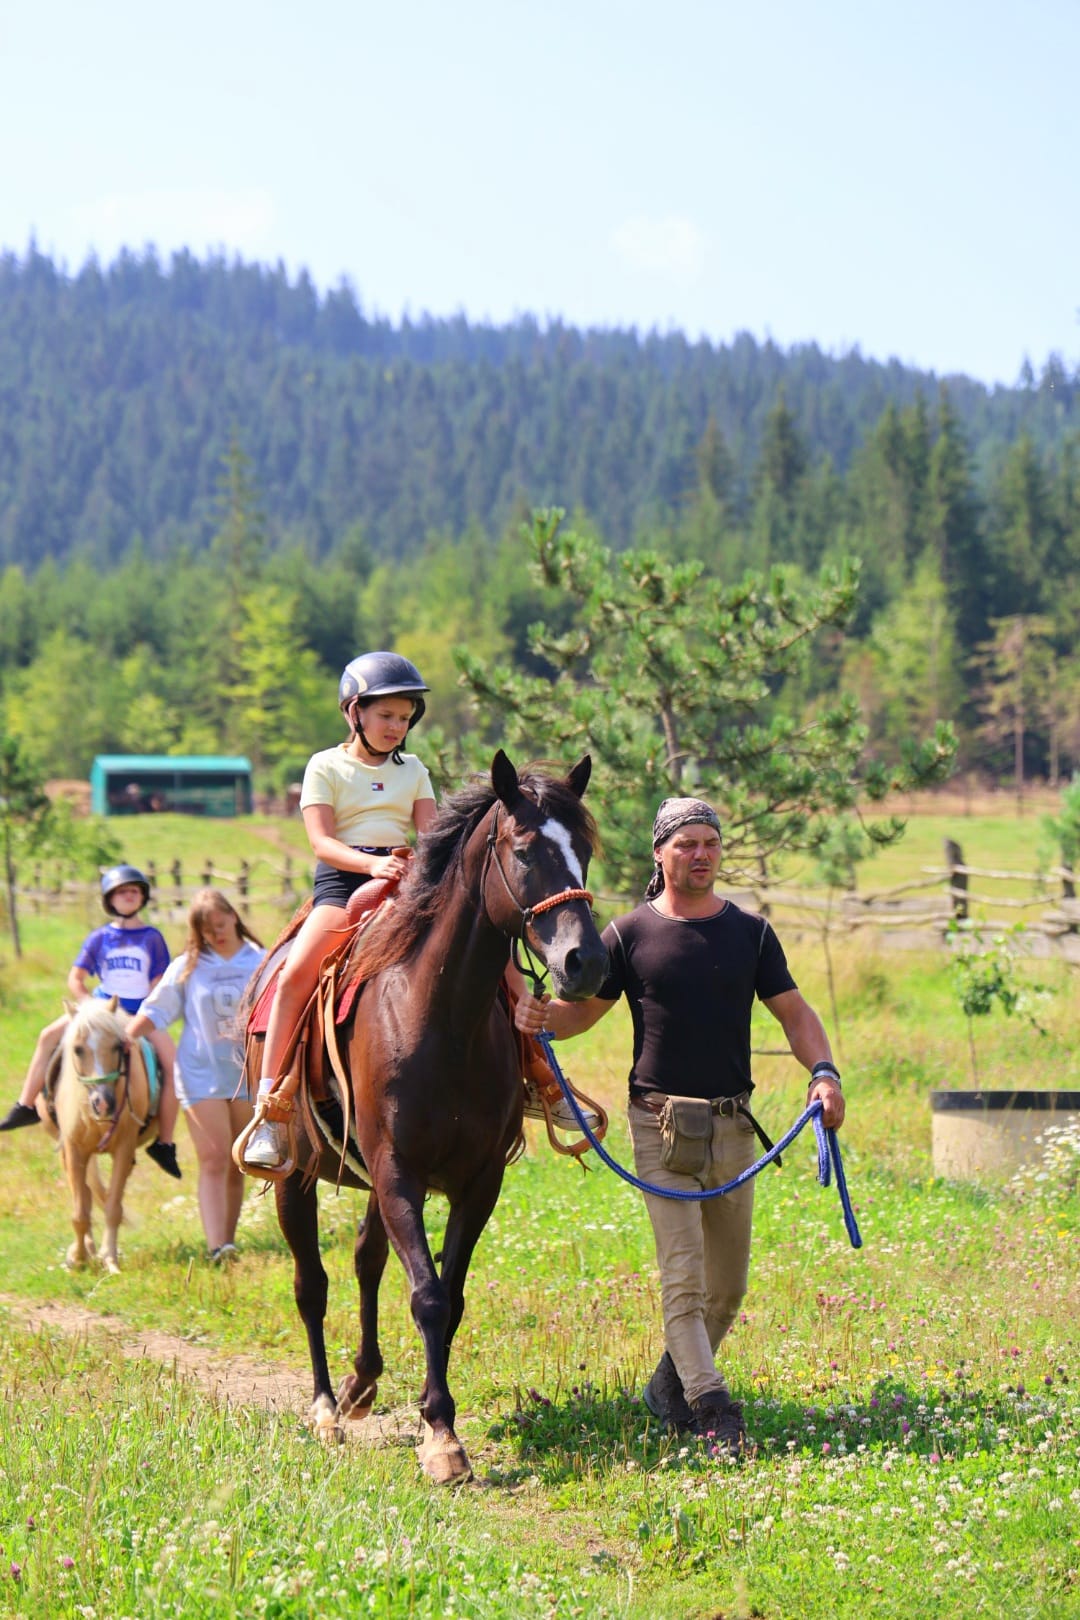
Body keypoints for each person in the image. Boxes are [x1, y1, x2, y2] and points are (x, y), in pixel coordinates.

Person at [513, 797, 846, 1451]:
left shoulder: (750, 933)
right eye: (686, 844)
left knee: (728, 1287)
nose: (700, 855)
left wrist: (825, 1072)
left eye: (710, 844)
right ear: (660, 853)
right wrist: (540, 1018)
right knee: (684, 1277)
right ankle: (712, 1407)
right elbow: (583, 1015)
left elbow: (796, 1014)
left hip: (734, 1127)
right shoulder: (629, 933)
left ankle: (668, 1386)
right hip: (658, 1125)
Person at [238, 651, 438, 1173]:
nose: (397, 726)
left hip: (407, 881)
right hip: (344, 883)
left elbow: (431, 835)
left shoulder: (415, 770)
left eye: (404, 717)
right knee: (295, 975)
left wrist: (416, 865)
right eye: (386, 716)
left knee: (488, 954)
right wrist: (371, 869)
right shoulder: (325, 765)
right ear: (355, 712)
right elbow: (322, 842)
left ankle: (540, 1077)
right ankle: (272, 1109)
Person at [0, 864, 182, 1178]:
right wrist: (88, 1006)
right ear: (110, 899)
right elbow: (76, 977)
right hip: (100, 1013)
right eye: (122, 892)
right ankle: (26, 1105)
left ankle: (163, 1142)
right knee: (47, 1035)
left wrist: (145, 1013)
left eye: (134, 891)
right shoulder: (99, 937)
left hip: (138, 1014)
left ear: (143, 897)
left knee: (174, 1064)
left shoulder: (152, 937)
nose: (129, 896)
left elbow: (159, 980)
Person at [127, 890, 264, 1261]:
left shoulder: (262, 960)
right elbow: (156, 1011)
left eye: (219, 925)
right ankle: (216, 1245)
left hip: (246, 1073)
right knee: (214, 1158)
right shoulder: (188, 966)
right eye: (206, 931)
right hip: (201, 1071)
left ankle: (229, 1241)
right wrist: (127, 1036)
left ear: (233, 917)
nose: (215, 935)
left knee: (240, 1159)